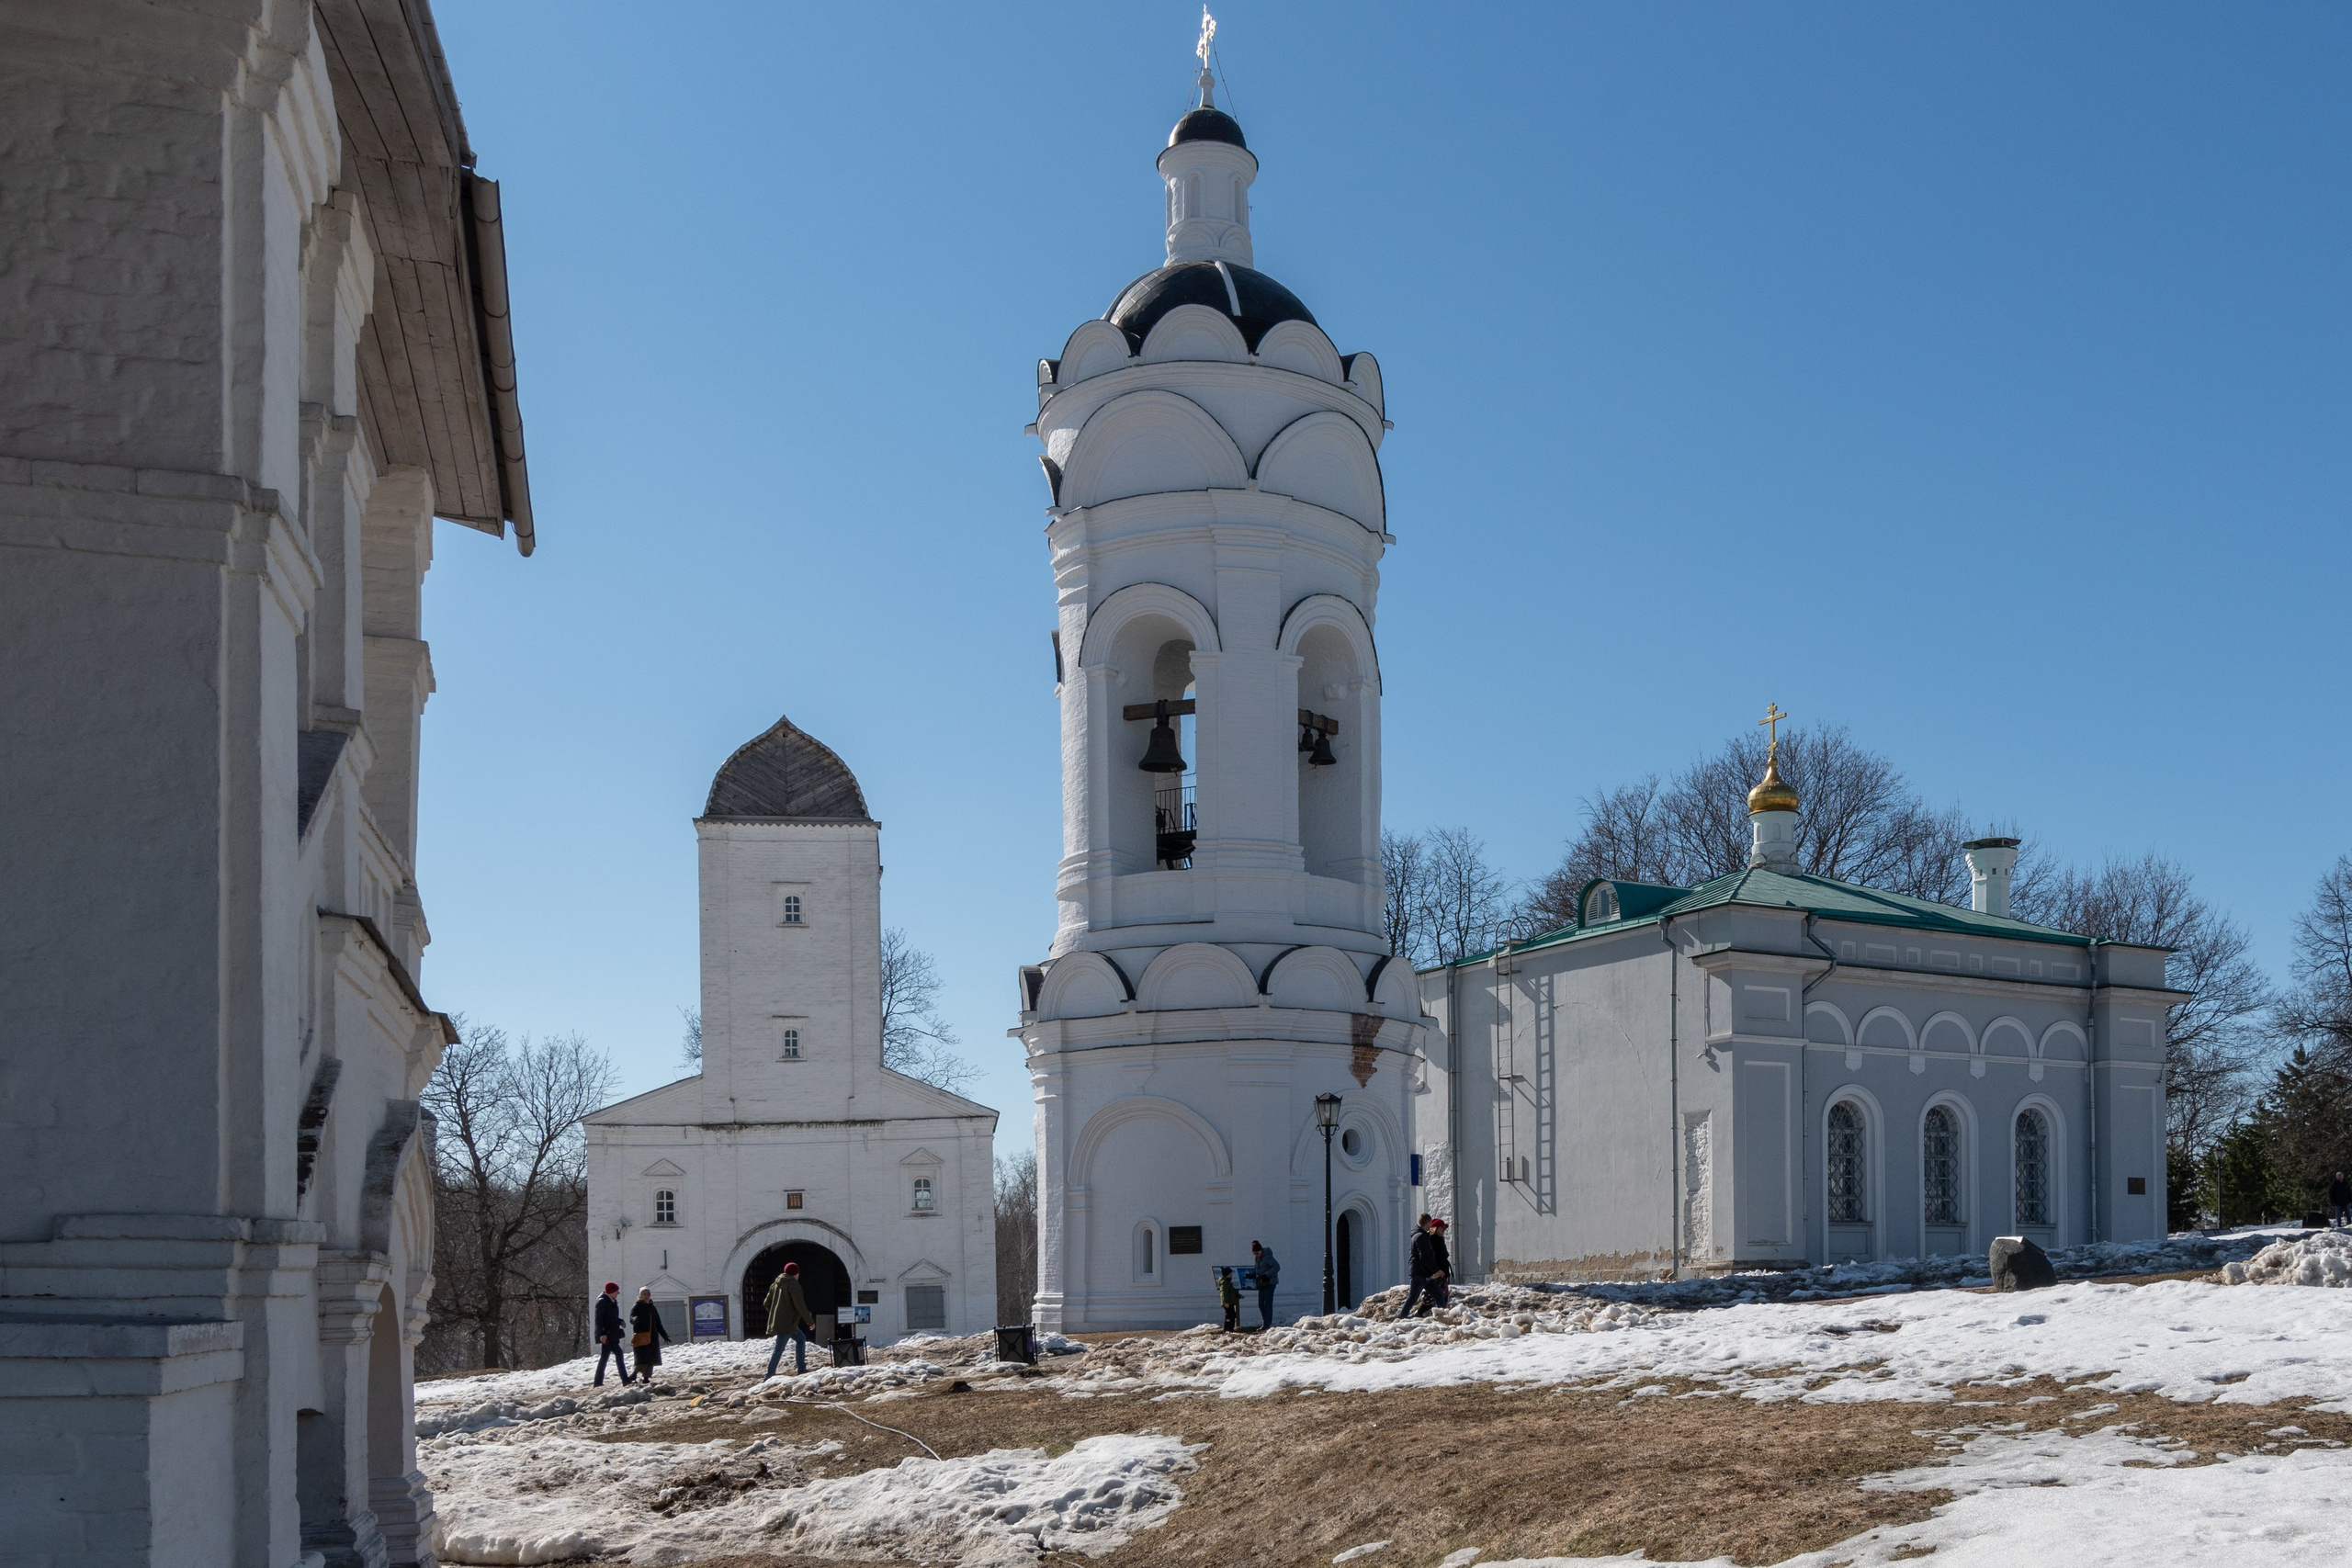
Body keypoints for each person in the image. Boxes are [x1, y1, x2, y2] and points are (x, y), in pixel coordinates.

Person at [763, 1260, 816, 1378]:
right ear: (795, 1273)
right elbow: (800, 1306)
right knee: (779, 1348)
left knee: (801, 1338)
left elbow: (766, 1303)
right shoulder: (793, 1285)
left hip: (785, 1323)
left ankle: (801, 1368)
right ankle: (769, 1375)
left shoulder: (776, 1284)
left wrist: (776, 1314)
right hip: (787, 1324)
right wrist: (810, 1322)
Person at [1402, 1215, 1442, 1319]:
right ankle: (1401, 1317)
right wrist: (1437, 1270)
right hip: (1420, 1274)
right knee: (1413, 1298)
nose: (1431, 1226)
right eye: (1430, 1223)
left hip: (1423, 1273)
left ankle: (1442, 1315)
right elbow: (1424, 1257)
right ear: (1427, 1223)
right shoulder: (1420, 1237)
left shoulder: (1420, 1235)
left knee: (1439, 1294)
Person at [593, 1281, 632, 1385]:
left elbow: (611, 1318)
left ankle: (597, 1382)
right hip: (607, 1335)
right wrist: (602, 1334)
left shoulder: (612, 1301)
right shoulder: (602, 1302)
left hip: (612, 1333)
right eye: (616, 1291)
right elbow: (599, 1320)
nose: (618, 1293)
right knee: (619, 1353)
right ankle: (625, 1380)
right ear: (611, 1291)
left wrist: (620, 1321)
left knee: (604, 1358)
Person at [629, 1287, 671, 1383]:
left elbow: (658, 1323)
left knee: (651, 1358)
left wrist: (665, 1336)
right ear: (640, 1295)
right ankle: (634, 1374)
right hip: (641, 1336)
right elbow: (631, 1318)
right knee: (642, 1358)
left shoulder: (652, 1308)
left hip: (652, 1337)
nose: (647, 1295)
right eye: (644, 1294)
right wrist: (634, 1319)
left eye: (648, 1294)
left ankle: (646, 1378)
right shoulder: (637, 1306)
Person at [1249, 1240, 1281, 1330]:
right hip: (1262, 1283)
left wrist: (1266, 1275)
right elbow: (1257, 1269)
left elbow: (1277, 1267)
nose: (1256, 1255)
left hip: (1270, 1283)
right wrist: (1252, 1275)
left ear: (1261, 1250)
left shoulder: (1268, 1257)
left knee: (1267, 1303)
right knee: (1260, 1304)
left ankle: (1267, 1323)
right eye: (1254, 1254)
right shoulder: (1257, 1259)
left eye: (1257, 1253)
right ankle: (1265, 1322)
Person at [1423, 1218, 1453, 1313]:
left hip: (1442, 1272)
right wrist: (1437, 1271)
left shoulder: (1439, 1239)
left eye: (1445, 1228)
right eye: (1442, 1228)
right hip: (1437, 1272)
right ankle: (1421, 1313)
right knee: (1434, 1295)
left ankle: (1440, 1313)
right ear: (1435, 1228)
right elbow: (1434, 1257)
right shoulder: (1432, 1240)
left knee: (1442, 1295)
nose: (1444, 1230)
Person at [1216, 1266, 1241, 1333]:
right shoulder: (1225, 1282)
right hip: (1228, 1302)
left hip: (1231, 1302)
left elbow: (1233, 1291)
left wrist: (1239, 1296)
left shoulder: (1228, 1282)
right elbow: (1224, 1293)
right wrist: (1225, 1302)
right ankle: (1227, 1328)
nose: (1232, 1274)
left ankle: (1231, 1328)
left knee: (1232, 1315)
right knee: (1229, 1315)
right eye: (1230, 1273)